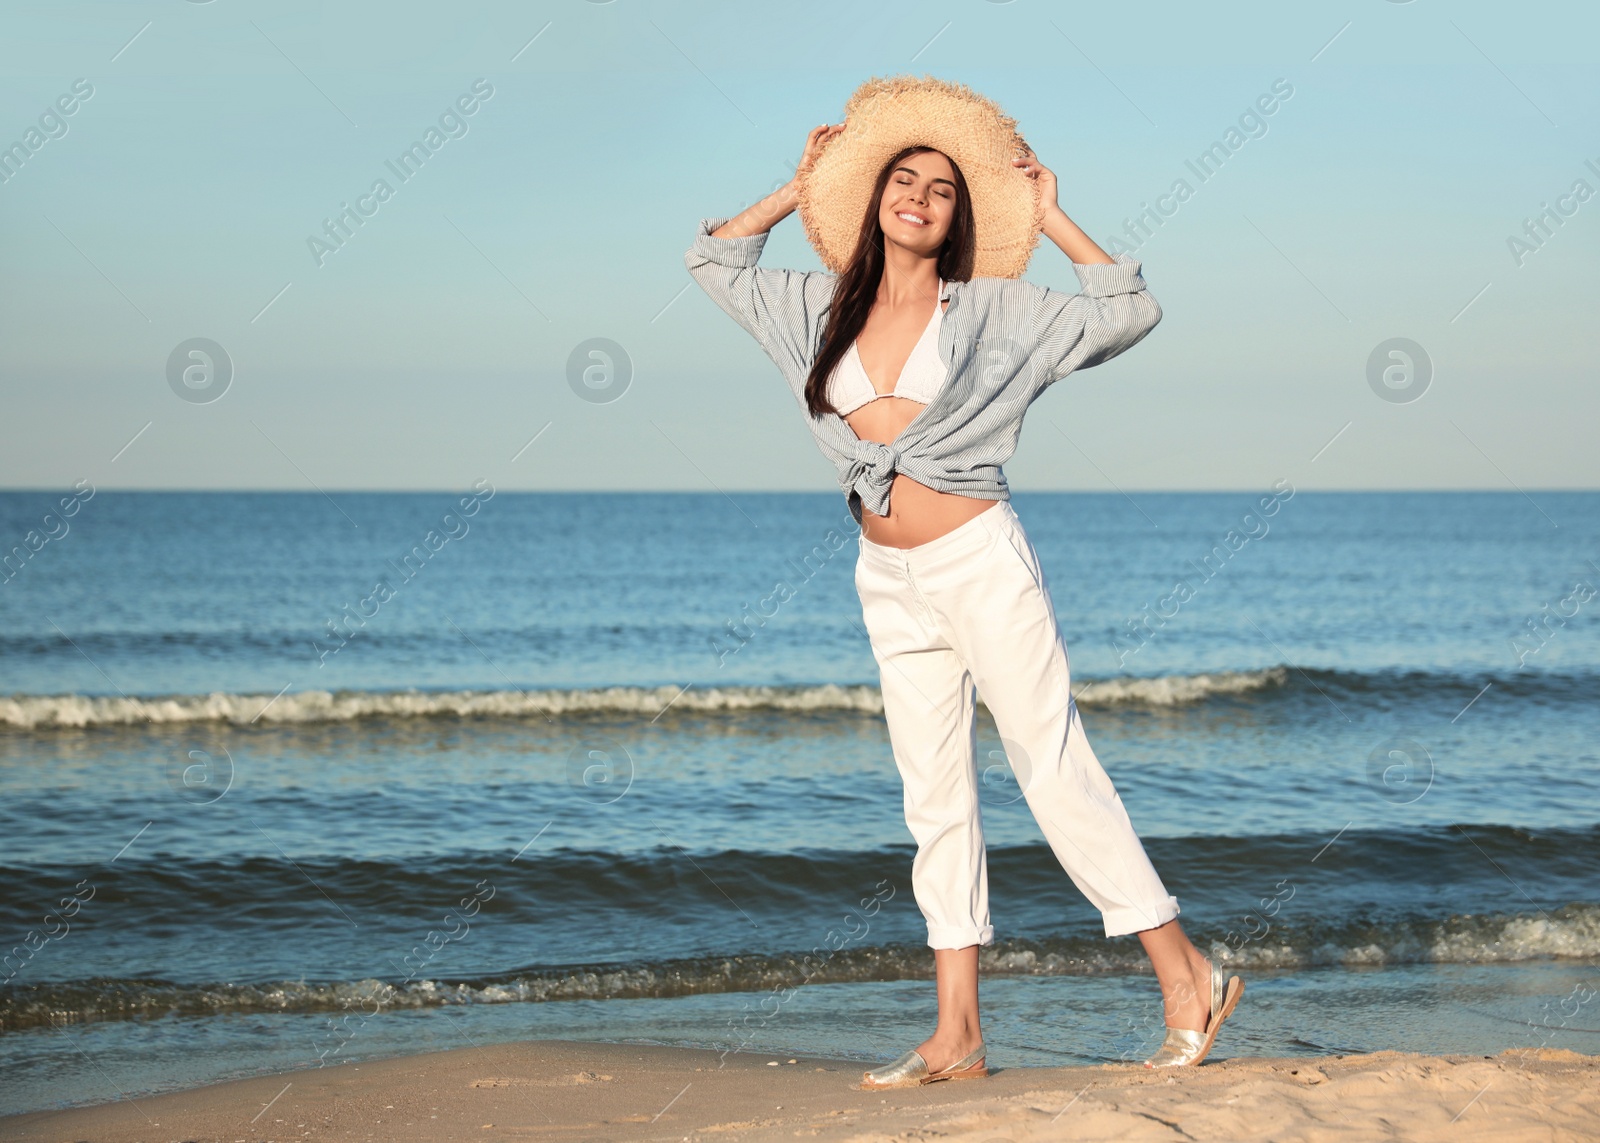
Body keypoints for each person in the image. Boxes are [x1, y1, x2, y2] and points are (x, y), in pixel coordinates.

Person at [684, 76, 1242, 1088]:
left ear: (957, 218)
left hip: (981, 560)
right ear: (873, 199)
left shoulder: (996, 310)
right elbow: (714, 256)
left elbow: (1127, 308)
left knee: (1050, 767)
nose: (919, 195)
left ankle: (1185, 976)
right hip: (885, 576)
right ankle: (957, 1036)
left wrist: (1050, 211)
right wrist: (797, 185)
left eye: (941, 188)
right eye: (901, 178)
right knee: (933, 799)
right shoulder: (813, 306)